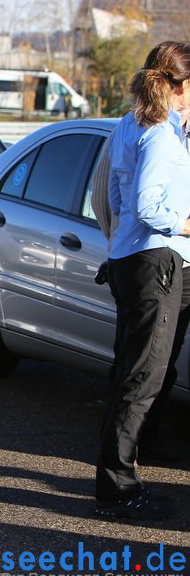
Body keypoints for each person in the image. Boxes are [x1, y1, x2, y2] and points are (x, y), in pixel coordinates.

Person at [96, 41, 190, 520]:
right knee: (142, 377)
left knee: (136, 371)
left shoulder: (132, 125)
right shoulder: (158, 135)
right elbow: (151, 208)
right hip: (155, 260)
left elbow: (111, 194)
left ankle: (124, 468)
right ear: (180, 85)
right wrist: (188, 222)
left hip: (135, 258)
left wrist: (117, 244)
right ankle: (118, 486)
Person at [91, 126, 189, 463]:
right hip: (157, 258)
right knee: (142, 368)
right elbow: (110, 200)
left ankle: (135, 448)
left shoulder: (168, 130)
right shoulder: (153, 132)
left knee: (156, 364)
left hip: (161, 259)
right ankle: (118, 473)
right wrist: (120, 244)